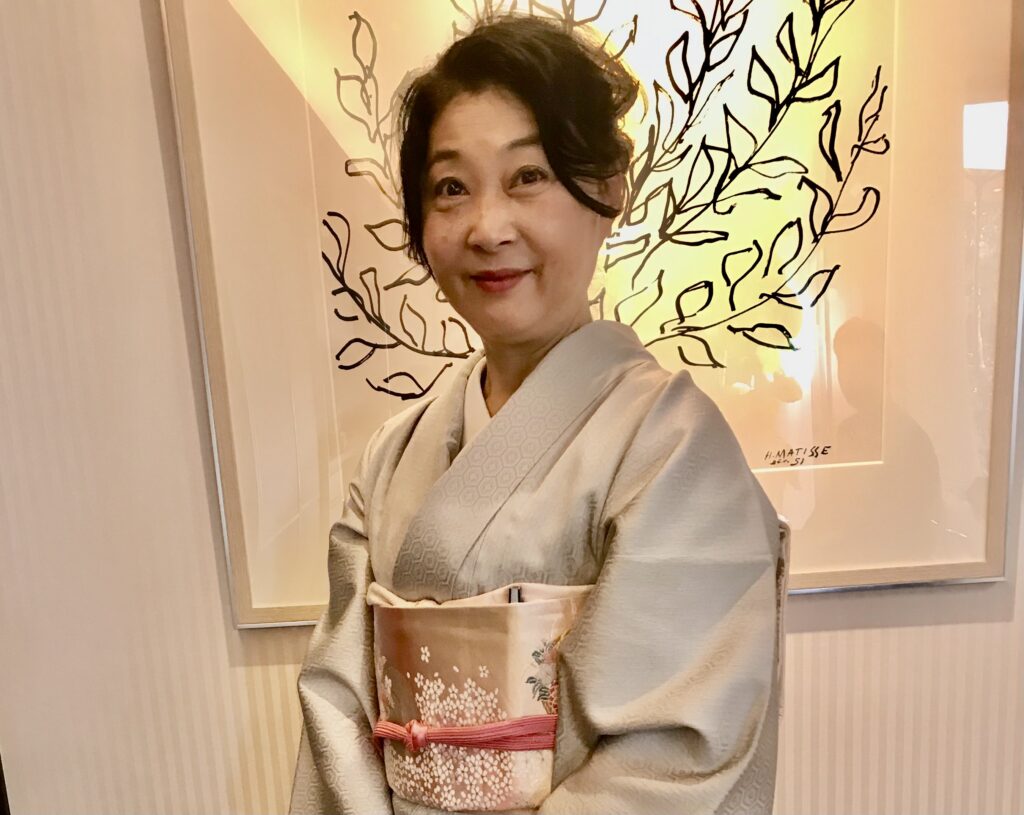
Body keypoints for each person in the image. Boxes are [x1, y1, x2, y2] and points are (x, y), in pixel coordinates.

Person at [290, 14, 788, 815]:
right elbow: (337, 709)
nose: (488, 228)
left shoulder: (670, 445)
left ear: (610, 185)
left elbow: (669, 756)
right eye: (450, 188)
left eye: (528, 176)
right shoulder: (392, 454)